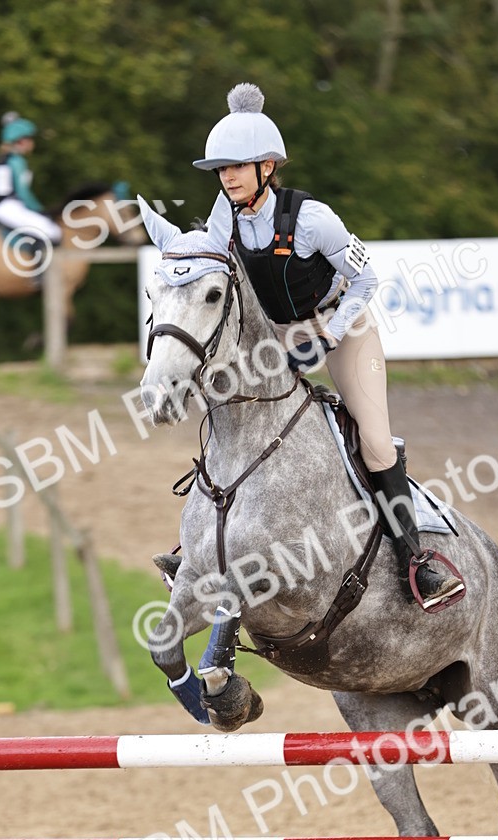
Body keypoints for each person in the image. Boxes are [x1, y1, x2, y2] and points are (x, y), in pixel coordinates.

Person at [193, 83, 462, 606]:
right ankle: (201, 545)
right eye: (220, 168)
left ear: (267, 167)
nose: (226, 176)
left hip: (340, 327)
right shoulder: (224, 215)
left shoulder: (314, 218)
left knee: (375, 442)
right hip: (275, 333)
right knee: (228, 418)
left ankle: (417, 560)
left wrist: (330, 333)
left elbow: (368, 280)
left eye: (236, 166)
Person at [0, 112, 62, 245]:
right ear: (21, 141)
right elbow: (23, 192)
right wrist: (39, 209)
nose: (32, 143)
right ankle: (39, 265)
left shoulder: (4, 158)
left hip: (2, 207)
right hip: (10, 206)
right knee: (52, 231)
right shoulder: (16, 162)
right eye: (30, 139)